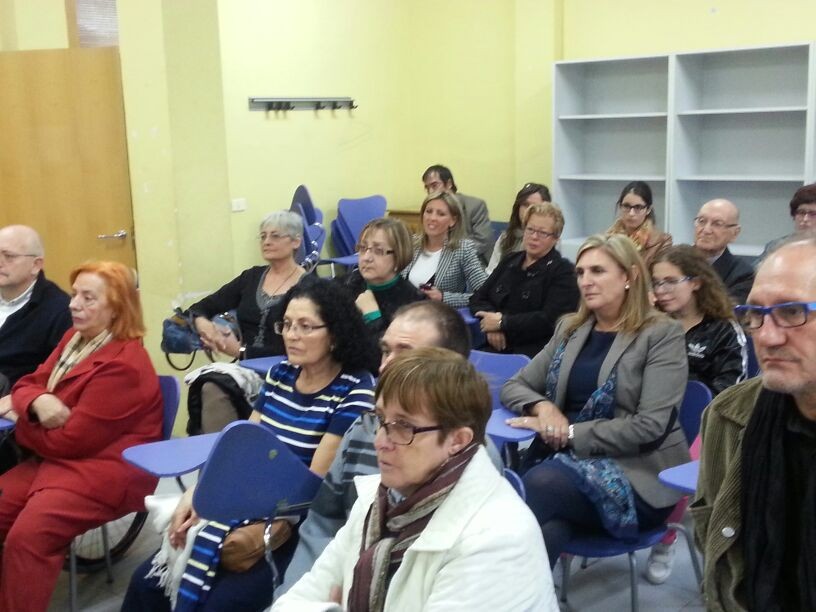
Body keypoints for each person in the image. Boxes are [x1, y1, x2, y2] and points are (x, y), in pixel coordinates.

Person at [122, 278, 378, 612]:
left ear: (335, 334)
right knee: (145, 583)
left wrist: (227, 501)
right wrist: (199, 494)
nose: (291, 335)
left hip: (295, 519)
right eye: (287, 324)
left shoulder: (353, 389)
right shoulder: (281, 374)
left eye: (305, 326)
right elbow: (244, 451)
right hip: (246, 502)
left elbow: (311, 485)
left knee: (222, 602)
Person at [274, 348, 558, 611]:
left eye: (404, 426)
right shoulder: (376, 500)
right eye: (381, 419)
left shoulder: (496, 539)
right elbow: (297, 599)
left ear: (458, 440)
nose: (380, 441)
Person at [502, 234, 689, 569]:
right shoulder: (570, 328)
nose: (585, 281)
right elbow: (515, 385)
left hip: (636, 474)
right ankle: (520, 594)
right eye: (580, 272)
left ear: (629, 276)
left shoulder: (661, 334)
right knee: (549, 528)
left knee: (538, 486)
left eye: (598, 271)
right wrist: (544, 408)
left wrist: (569, 433)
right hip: (562, 466)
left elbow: (649, 427)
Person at [0, 261, 162, 612]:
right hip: (58, 461)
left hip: (103, 471)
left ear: (116, 308)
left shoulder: (125, 365)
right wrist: (38, 403)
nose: (73, 304)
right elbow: (27, 383)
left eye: (88, 298)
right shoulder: (75, 339)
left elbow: (69, 441)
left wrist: (22, 419)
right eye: (75, 295)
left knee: (29, 538)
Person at [279, 300, 473, 592]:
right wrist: (296, 596)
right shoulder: (364, 429)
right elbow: (323, 522)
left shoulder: (462, 456)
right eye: (385, 351)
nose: (385, 366)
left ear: (448, 368)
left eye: (405, 353)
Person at [692, 235, 816, 612]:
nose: (767, 336)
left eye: (792, 312)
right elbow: (719, 553)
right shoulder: (727, 416)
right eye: (756, 313)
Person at [645, 245, 747, 584]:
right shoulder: (652, 325)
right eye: (657, 282)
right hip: (656, 415)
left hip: (708, 423)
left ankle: (665, 539)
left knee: (680, 460)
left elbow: (730, 392)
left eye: (670, 281)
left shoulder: (723, 329)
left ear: (696, 282)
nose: (661, 290)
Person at [185, 211, 307, 434]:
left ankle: (226, 451)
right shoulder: (251, 278)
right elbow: (198, 309)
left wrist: (240, 351)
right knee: (207, 384)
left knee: (215, 387)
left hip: (290, 371)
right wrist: (205, 326)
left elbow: (300, 346)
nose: (267, 241)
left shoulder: (308, 285)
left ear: (296, 241)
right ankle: (221, 451)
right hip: (248, 369)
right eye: (263, 236)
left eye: (275, 236)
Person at [469, 202, 579, 357]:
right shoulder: (510, 260)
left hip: (534, 352)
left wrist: (503, 323)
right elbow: (478, 298)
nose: (534, 237)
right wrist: (492, 323)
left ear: (555, 239)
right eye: (530, 229)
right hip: (492, 343)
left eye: (542, 233)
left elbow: (550, 319)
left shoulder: (564, 272)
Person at [0, 225, 71, 390]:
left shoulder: (59, 310)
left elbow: (58, 376)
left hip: (15, 396)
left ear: (36, 265)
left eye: (8, 256)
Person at [336, 217, 424, 340]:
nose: (366, 258)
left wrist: (373, 319)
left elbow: (395, 349)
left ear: (399, 256)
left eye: (378, 251)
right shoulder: (346, 284)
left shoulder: (414, 304)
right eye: (363, 248)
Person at [403, 191, 487, 308]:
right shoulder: (411, 243)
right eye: (429, 211)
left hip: (438, 315)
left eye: (441, 214)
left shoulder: (463, 250)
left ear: (453, 220)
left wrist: (444, 297)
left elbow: (485, 295)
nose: (432, 218)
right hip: (402, 312)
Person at [422, 164, 493, 263]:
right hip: (437, 259)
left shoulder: (475, 205)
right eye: (427, 188)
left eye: (434, 186)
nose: (430, 192)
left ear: (449, 184)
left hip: (471, 260)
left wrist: (451, 256)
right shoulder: (430, 208)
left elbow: (482, 241)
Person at [693, 198, 754, 304]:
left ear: (735, 233)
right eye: (702, 221)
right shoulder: (675, 261)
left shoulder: (743, 275)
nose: (706, 230)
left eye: (717, 224)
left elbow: (726, 311)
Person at [485, 182, 551, 275]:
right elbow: (491, 272)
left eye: (534, 207)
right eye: (525, 204)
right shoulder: (505, 237)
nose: (528, 210)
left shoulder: (549, 240)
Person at [606, 181, 672, 268]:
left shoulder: (662, 242)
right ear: (620, 206)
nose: (631, 213)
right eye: (626, 206)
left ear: (648, 210)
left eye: (638, 207)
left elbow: (659, 275)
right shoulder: (607, 239)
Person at [758, 182, 816, 262]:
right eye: (801, 213)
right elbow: (759, 270)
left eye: (813, 214)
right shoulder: (776, 246)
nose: (805, 219)